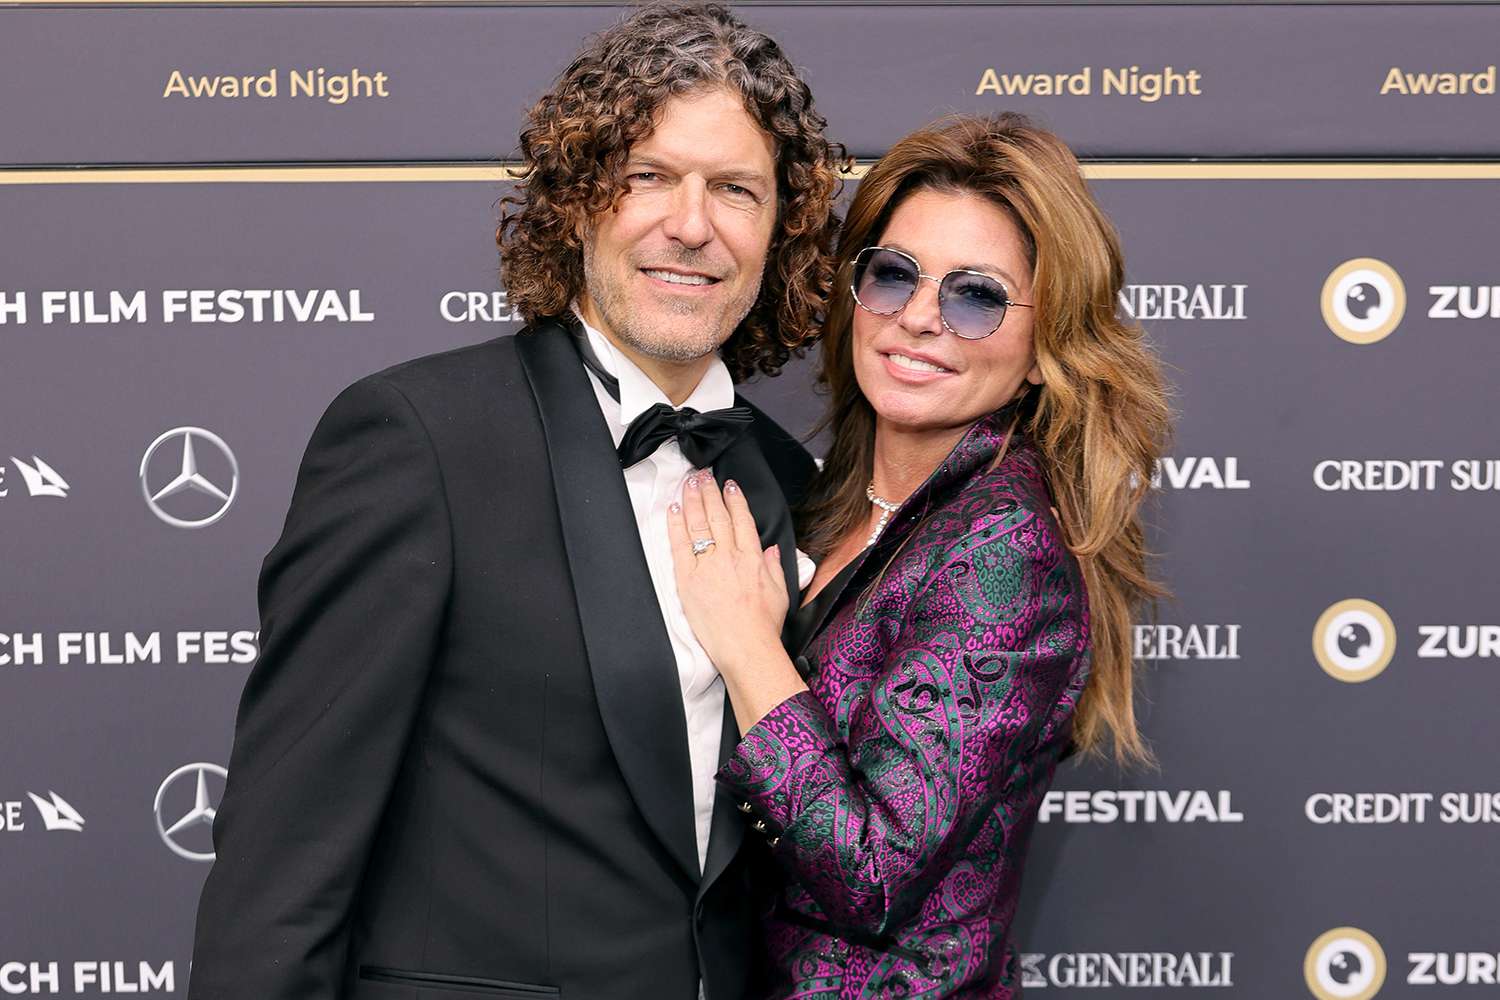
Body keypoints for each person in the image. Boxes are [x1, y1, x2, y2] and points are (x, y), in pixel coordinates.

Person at [186, 6, 842, 999]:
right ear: (579, 201)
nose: (693, 223)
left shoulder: (791, 482)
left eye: (736, 190)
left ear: (778, 231)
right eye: (649, 176)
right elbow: (282, 869)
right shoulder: (419, 441)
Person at [665, 114, 1171, 998]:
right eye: (894, 275)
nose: (921, 319)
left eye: (976, 296)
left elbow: (872, 866)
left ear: (1047, 347)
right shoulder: (818, 502)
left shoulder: (1004, 548)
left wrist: (747, 647)